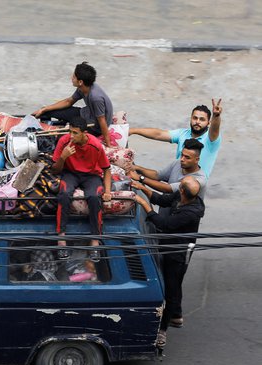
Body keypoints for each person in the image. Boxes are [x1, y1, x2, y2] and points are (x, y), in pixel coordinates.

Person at [132, 176, 205, 347]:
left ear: (181, 191)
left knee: (171, 289)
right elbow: (161, 199)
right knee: (172, 285)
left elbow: (165, 224)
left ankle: (162, 330)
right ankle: (176, 316)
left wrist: (144, 204)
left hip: (176, 254)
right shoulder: (182, 197)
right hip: (166, 247)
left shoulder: (190, 213)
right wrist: (141, 187)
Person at [51, 117, 112, 262]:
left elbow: (107, 169)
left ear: (84, 133)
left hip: (91, 175)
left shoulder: (95, 146)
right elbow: (55, 170)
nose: (71, 136)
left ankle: (95, 240)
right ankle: (61, 239)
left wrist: (108, 191)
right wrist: (63, 158)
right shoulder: (64, 141)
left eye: (75, 133)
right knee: (64, 194)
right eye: (70, 132)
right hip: (70, 173)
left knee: (94, 197)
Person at [128, 99, 222, 178]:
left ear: (208, 123)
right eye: (195, 118)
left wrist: (216, 116)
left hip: (193, 189)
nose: (197, 121)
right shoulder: (182, 133)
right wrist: (133, 130)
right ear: (190, 119)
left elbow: (214, 129)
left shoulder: (211, 140)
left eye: (202, 119)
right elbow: (159, 134)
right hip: (175, 182)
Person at [33, 62, 114, 147]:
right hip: (85, 114)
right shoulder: (83, 87)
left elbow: (102, 121)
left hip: (94, 126)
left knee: (61, 139)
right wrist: (44, 109)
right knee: (48, 112)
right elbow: (69, 101)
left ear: (80, 82)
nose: (72, 78)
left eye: (74, 77)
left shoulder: (96, 98)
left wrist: (108, 144)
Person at [127, 138, 207, 201]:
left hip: (182, 217)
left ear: (197, 159)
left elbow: (167, 189)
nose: (182, 159)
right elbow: (157, 175)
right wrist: (136, 167)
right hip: (166, 210)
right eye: (182, 155)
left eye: (187, 157)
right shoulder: (177, 163)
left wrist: (140, 178)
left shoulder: (199, 180)